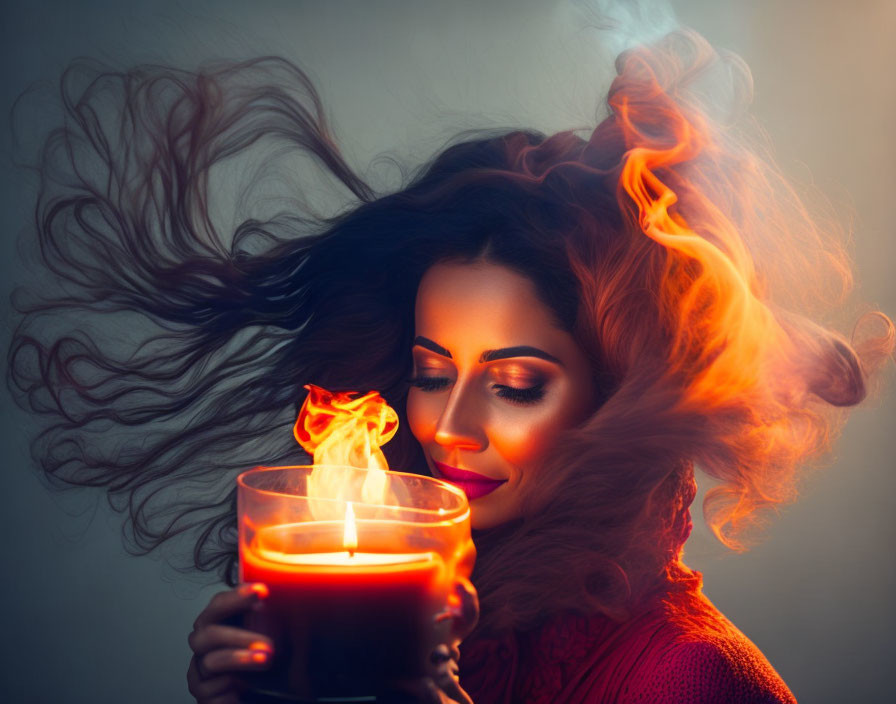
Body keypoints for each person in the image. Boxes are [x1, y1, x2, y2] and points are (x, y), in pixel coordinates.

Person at [8, 29, 892, 704]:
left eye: (514, 385)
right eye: (433, 371)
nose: (448, 426)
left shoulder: (691, 677)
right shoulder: (428, 623)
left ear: (619, 397)